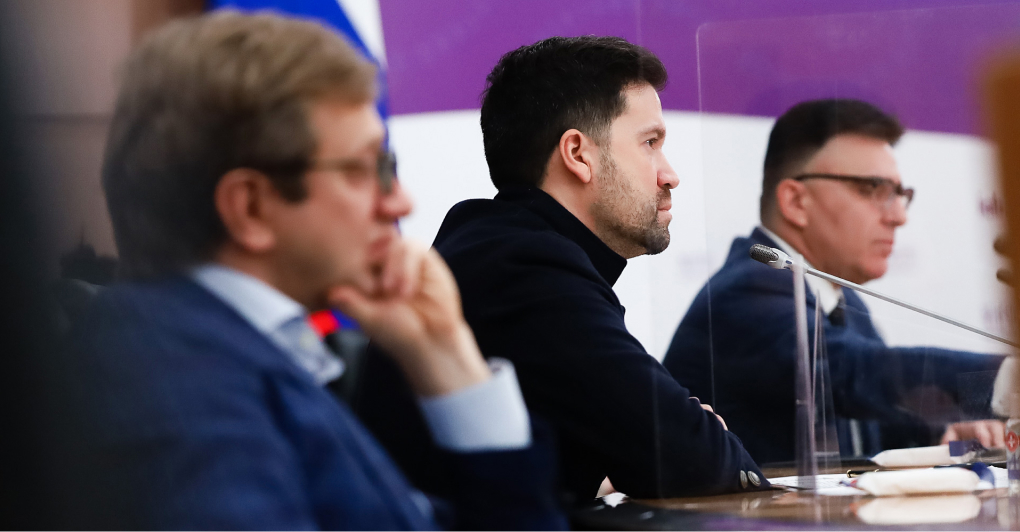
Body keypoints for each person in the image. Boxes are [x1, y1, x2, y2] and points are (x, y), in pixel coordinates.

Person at [56, 12, 565, 530]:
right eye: (367, 169)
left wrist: (447, 358)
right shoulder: (177, 394)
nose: (400, 202)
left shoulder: (216, 353)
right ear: (251, 208)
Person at [355, 36, 767, 501]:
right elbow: (697, 459)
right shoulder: (526, 268)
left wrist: (606, 470)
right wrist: (693, 437)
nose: (670, 174)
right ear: (578, 154)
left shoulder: (499, 245)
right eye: (650, 143)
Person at [662, 99, 1005, 465]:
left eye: (899, 195)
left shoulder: (844, 303)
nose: (899, 216)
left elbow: (875, 434)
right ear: (796, 202)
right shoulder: (747, 292)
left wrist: (944, 437)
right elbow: (853, 374)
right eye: (873, 188)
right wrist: (1005, 378)